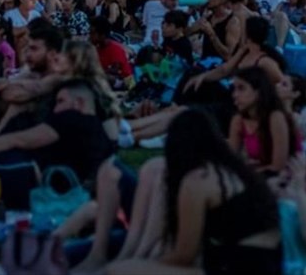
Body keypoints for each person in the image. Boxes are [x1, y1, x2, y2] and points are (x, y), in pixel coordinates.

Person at [107, 108, 281, 275]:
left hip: (239, 266)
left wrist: (149, 264)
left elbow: (184, 255)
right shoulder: (235, 171)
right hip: (269, 262)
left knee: (117, 271)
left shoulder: (197, 180)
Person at [0, 79, 113, 184]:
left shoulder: (73, 117)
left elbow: (20, 140)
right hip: (45, 182)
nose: (56, 109)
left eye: (61, 101)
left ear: (79, 103)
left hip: (27, 174)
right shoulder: (99, 132)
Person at [227, 66, 295, 175]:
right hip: (256, 173)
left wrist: (248, 172)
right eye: (234, 89)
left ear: (258, 91)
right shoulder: (238, 120)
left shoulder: (275, 117)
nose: (235, 95)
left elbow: (278, 166)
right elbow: (231, 159)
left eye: (241, 88)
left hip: (285, 174)